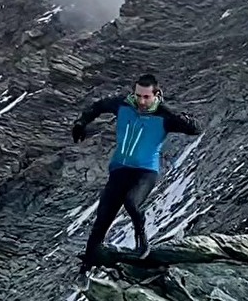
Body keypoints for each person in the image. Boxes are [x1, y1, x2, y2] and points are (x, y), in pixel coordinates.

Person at [72, 72, 199, 273]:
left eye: (146, 97)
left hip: (145, 172)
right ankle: (86, 268)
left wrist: (175, 115)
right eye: (138, 95)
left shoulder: (164, 116)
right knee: (102, 218)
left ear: (156, 95)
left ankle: (142, 242)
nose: (141, 101)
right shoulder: (123, 105)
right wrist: (81, 123)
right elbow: (97, 106)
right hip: (119, 170)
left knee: (132, 202)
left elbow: (194, 129)